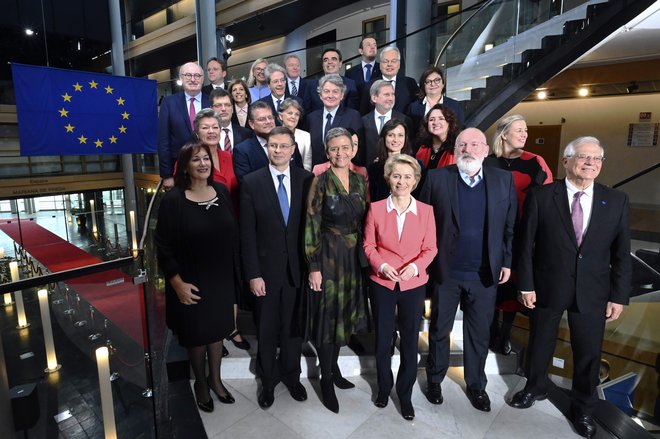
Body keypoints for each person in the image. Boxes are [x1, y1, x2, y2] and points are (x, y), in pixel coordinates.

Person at [510, 136, 631, 439]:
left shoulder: (616, 200)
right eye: (583, 157)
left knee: (589, 353)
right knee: (540, 341)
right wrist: (525, 285)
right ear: (566, 162)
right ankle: (535, 387)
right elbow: (525, 247)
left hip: (593, 291)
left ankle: (583, 408)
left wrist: (618, 296)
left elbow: (621, 253)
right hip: (547, 285)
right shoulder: (541, 196)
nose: (590, 163)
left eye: (597, 159)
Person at [420, 128, 516, 412]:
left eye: (475, 144)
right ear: (456, 148)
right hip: (446, 272)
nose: (468, 149)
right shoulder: (437, 178)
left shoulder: (503, 180)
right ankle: (435, 379)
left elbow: (511, 228)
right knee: (439, 329)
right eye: (462, 144)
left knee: (479, 333)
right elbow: (424, 224)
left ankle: (476, 384)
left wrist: (507, 261)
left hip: (485, 274)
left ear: (486, 149)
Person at [156, 141, 239, 413]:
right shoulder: (174, 200)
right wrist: (176, 282)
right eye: (196, 160)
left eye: (206, 158)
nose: (203, 163)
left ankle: (216, 380)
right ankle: (200, 385)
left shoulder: (222, 191)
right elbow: (163, 246)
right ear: (184, 166)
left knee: (217, 333)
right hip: (190, 281)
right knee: (197, 337)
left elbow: (232, 236)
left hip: (221, 279)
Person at [240, 126, 314, 408]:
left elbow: (311, 229)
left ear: (293, 149)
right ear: (267, 148)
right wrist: (253, 274)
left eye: (284, 146)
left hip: (297, 270)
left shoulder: (307, 180)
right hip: (265, 273)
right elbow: (246, 234)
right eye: (273, 146)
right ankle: (267, 382)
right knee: (267, 329)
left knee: (293, 329)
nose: (278, 150)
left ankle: (292, 377)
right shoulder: (251, 182)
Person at [363, 154, 437, 421]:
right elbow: (368, 246)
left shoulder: (427, 211)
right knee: (383, 339)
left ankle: (404, 395)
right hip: (382, 282)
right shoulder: (375, 208)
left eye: (407, 177)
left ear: (415, 181)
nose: (401, 181)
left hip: (413, 284)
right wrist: (382, 266)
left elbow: (431, 248)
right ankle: (384, 388)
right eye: (396, 176)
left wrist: (415, 267)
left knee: (408, 342)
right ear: (388, 178)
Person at [305, 127, 369, 413]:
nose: (340, 153)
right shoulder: (319, 182)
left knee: (345, 315)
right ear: (327, 152)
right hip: (328, 255)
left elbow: (367, 219)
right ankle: (326, 379)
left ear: (352, 149)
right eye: (334, 149)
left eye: (345, 147)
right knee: (328, 318)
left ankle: (334, 368)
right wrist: (314, 266)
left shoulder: (359, 180)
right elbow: (311, 225)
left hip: (353, 257)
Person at [485, 114, 553, 355]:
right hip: (491, 234)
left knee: (514, 283)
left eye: (526, 130)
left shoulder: (537, 162)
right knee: (491, 284)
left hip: (523, 235)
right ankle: (490, 331)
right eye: (519, 130)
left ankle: (505, 333)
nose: (525, 134)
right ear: (503, 134)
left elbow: (547, 202)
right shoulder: (487, 162)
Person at [157, 62, 210, 190]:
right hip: (179, 170)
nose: (193, 79)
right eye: (188, 75)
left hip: (208, 168)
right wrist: (167, 175)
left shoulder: (211, 101)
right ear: (181, 78)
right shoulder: (168, 103)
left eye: (197, 75)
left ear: (202, 79)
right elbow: (163, 140)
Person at [306, 74, 363, 167]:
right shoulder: (311, 118)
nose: (330, 95)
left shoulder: (353, 116)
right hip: (317, 174)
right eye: (326, 91)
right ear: (320, 95)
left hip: (344, 172)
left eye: (335, 92)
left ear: (342, 95)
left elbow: (358, 151)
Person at [361, 80, 413, 167]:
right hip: (370, 173)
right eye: (386, 95)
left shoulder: (405, 120)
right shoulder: (363, 121)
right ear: (374, 98)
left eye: (392, 94)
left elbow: (409, 149)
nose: (391, 98)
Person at [359, 46, 419, 115]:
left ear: (399, 64)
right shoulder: (370, 86)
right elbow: (364, 113)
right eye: (386, 61)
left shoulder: (410, 83)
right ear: (380, 65)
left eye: (393, 61)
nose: (389, 64)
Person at [367, 119, 415, 202]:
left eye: (400, 135)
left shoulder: (414, 166)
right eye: (391, 135)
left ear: (405, 138)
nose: (396, 140)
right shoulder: (374, 169)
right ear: (384, 137)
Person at [408, 66, 464, 133]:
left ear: (443, 83)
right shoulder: (413, 107)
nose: (433, 84)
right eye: (428, 81)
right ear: (423, 85)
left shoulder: (455, 106)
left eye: (437, 80)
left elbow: (460, 130)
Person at [233, 101, 276, 181]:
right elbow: (246, 183)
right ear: (252, 124)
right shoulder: (242, 151)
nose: (268, 122)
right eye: (262, 119)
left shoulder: (288, 143)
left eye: (270, 117)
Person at [415, 104, 460, 169]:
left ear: (449, 123)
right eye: (431, 119)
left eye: (441, 118)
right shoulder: (419, 147)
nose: (435, 122)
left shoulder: (457, 149)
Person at [209, 88, 251, 154]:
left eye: (227, 105)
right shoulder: (204, 135)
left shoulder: (246, 134)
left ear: (232, 109)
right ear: (211, 109)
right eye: (218, 105)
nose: (223, 109)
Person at [278, 98, 312, 171]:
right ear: (281, 116)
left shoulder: (306, 136)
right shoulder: (273, 135)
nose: (293, 117)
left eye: (297, 114)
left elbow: (307, 165)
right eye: (290, 113)